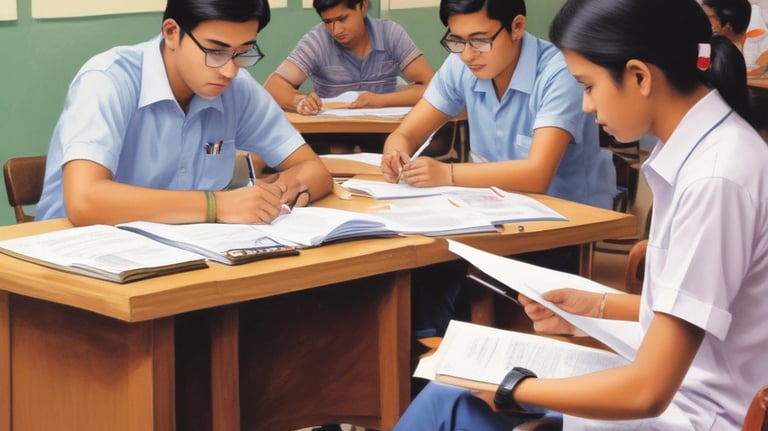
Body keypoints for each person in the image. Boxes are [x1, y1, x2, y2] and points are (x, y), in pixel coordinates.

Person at [393, 0, 768, 429]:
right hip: (689, 392)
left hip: (697, 412)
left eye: (588, 86)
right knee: (457, 394)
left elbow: (647, 391)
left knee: (453, 399)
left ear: (640, 76)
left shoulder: (715, 178)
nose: (586, 107)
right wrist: (597, 305)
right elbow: (705, 305)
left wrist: (510, 386)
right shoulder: (705, 151)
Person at [36, 0, 333, 225]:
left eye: (243, 52)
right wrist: (217, 205)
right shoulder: (108, 80)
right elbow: (84, 200)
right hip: (73, 267)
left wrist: (278, 193)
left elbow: (314, 169)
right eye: (215, 51)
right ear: (172, 33)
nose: (229, 70)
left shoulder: (236, 88)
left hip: (181, 258)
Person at [263, 0, 434, 115]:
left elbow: (431, 87)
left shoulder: (390, 34)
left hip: (384, 133)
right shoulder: (317, 40)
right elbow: (272, 86)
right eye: (328, 22)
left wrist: (380, 101)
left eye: (342, 19)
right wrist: (299, 101)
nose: (335, 30)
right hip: (334, 136)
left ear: (363, 6)